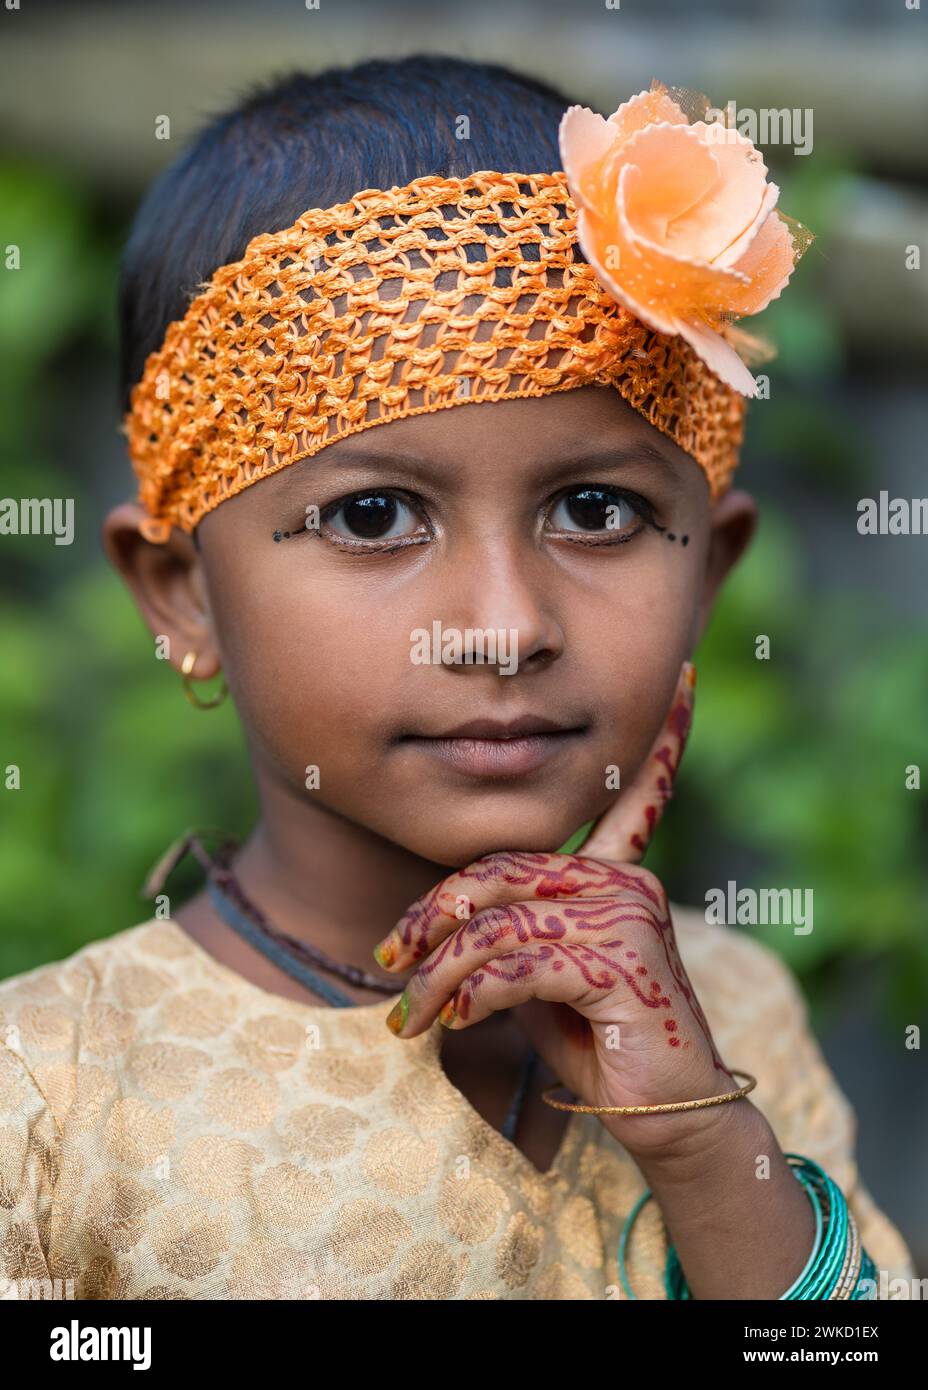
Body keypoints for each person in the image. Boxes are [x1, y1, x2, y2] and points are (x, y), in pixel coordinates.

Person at [0, 55, 916, 1301]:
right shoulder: (49, 1091)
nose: (501, 626)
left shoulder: (731, 1011)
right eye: (373, 516)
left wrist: (703, 1142)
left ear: (710, 573)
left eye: (596, 509)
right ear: (183, 596)